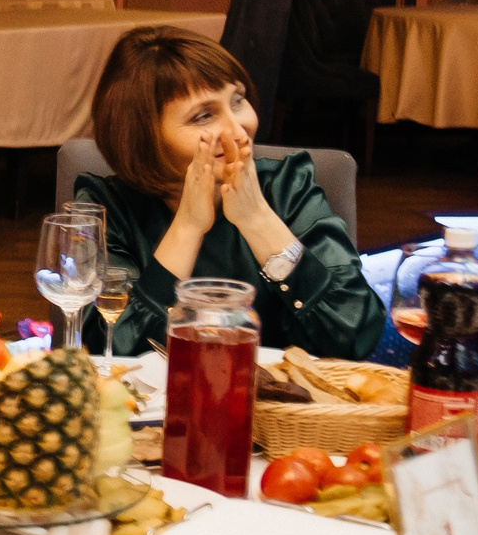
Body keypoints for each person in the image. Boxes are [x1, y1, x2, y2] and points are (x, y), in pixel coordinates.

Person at [73, 24, 381, 359]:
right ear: (142, 138)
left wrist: (258, 218)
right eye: (203, 116)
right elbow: (108, 351)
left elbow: (355, 334)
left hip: (275, 408)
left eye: (238, 101)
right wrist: (188, 227)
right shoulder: (106, 208)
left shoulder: (286, 187)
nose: (238, 130)